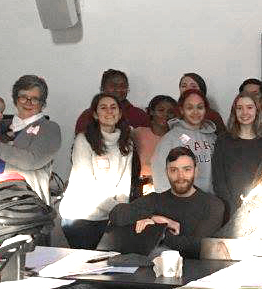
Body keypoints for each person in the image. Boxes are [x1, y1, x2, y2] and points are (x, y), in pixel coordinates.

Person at [108, 146, 224, 289]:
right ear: (166, 172)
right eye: (174, 170)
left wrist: (160, 229)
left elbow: (196, 246)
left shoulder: (213, 204)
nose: (180, 176)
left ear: (196, 170)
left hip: (197, 278)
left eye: (186, 169)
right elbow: (117, 215)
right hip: (161, 281)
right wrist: (156, 218)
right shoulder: (157, 200)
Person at [0, 74, 62, 206]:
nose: (28, 102)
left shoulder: (49, 128)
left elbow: (31, 161)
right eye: (23, 97)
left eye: (34, 99)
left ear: (43, 104)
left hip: (25, 207)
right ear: (16, 100)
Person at [58, 93, 136, 249]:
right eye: (103, 108)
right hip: (80, 216)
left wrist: (121, 212)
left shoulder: (126, 142)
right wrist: (117, 209)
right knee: (82, 269)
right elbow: (87, 184)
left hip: (109, 216)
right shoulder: (83, 139)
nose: (109, 111)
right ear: (95, 114)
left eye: (113, 108)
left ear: (120, 114)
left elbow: (124, 182)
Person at [212, 92, 262, 217]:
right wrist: (233, 207)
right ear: (234, 112)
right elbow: (219, 180)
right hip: (230, 209)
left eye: (249, 107)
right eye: (239, 108)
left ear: (257, 110)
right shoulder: (223, 140)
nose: (244, 112)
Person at [151, 89, 218, 194]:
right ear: (182, 110)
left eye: (200, 107)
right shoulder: (170, 139)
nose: (195, 112)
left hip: (212, 202)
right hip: (182, 203)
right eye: (190, 107)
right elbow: (160, 174)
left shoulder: (213, 137)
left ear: (205, 110)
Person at [74, 69, 149, 134]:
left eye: (123, 86)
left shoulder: (138, 115)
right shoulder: (88, 116)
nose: (119, 90)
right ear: (102, 88)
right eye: (113, 86)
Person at [133, 95, 177, 194]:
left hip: (167, 188)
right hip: (139, 188)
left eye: (170, 112)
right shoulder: (137, 134)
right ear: (151, 111)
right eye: (161, 110)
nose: (165, 114)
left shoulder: (177, 137)